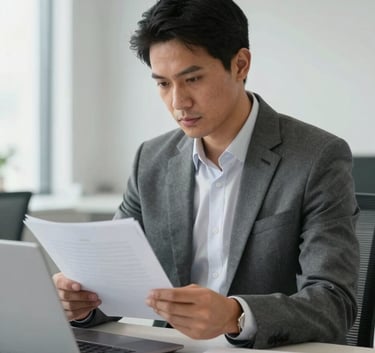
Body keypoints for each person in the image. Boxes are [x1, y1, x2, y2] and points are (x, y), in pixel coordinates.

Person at [53, 0, 360, 349]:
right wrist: (83, 303)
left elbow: (334, 303)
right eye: (163, 84)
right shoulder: (151, 160)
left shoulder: (316, 157)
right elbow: (114, 283)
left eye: (193, 78)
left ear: (240, 64)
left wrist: (235, 315)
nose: (178, 102)